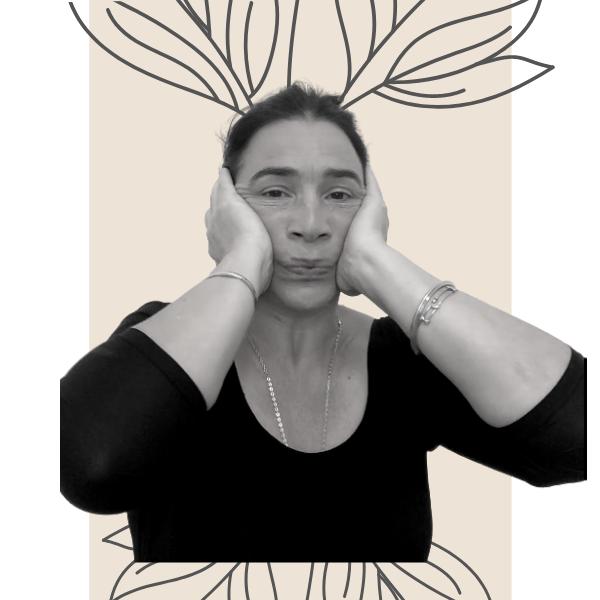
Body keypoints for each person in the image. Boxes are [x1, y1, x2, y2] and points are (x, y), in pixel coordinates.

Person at [60, 82, 586, 562]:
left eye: (339, 195)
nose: (311, 225)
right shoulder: (167, 340)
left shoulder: (404, 360)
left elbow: (575, 439)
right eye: (274, 192)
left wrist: (378, 263)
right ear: (226, 208)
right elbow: (89, 467)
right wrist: (240, 262)